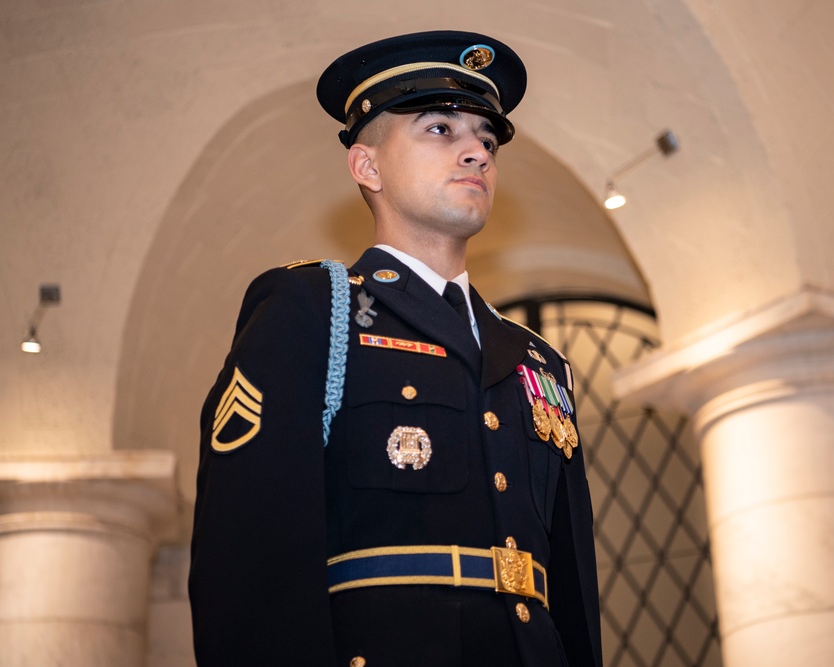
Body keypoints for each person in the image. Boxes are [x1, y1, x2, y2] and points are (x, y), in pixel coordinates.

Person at [189, 30, 603, 667]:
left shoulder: (536, 362)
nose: (478, 154)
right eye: (440, 129)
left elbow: (571, 590)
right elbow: (248, 557)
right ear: (367, 166)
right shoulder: (315, 311)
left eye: (488, 141)